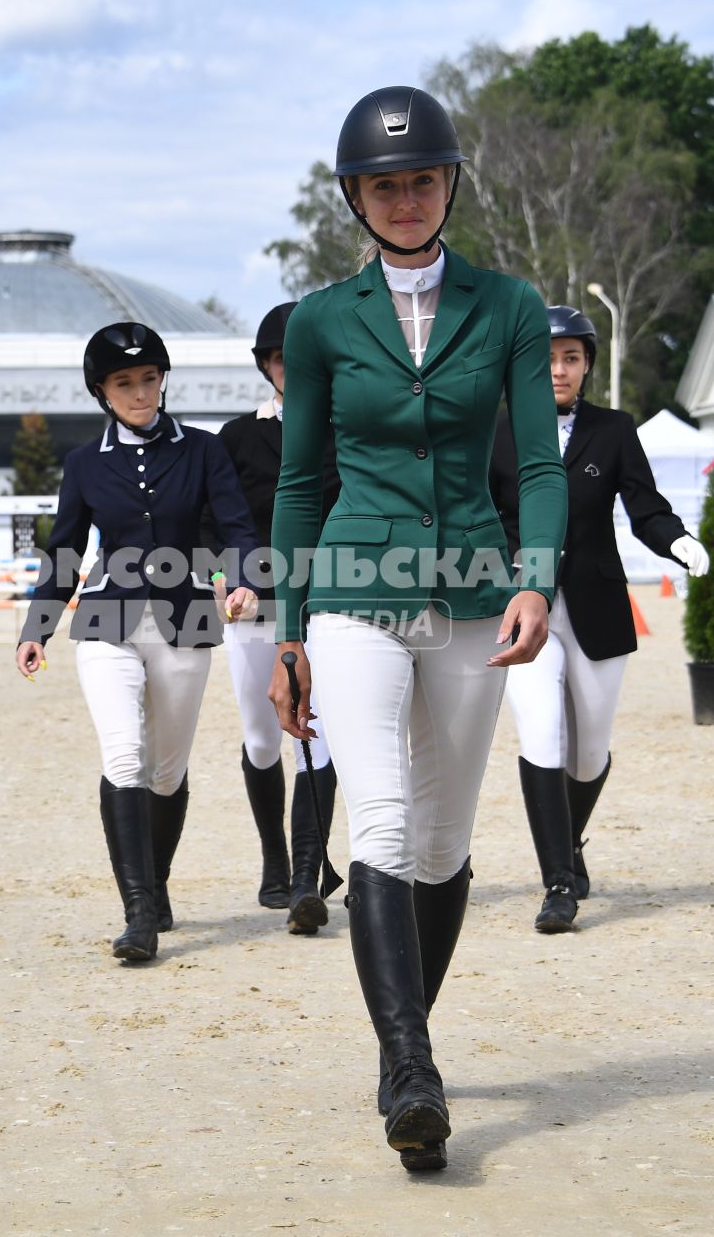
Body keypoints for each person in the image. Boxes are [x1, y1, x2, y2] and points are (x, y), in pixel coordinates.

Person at [268, 86, 568, 1172]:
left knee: (445, 843)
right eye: (384, 184)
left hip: (480, 591)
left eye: (422, 179)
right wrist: (293, 629)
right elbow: (300, 482)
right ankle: (410, 1067)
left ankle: (410, 1039)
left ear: (449, 185)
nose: (404, 199)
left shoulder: (513, 306)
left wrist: (536, 579)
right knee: (384, 823)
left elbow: (537, 461)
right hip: (355, 580)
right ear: (355, 195)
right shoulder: (319, 321)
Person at [15, 322, 261, 963]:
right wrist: (37, 628)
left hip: (185, 624)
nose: (140, 392)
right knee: (124, 757)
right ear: (102, 390)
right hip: (106, 623)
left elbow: (236, 528)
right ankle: (139, 913)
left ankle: (157, 880)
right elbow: (65, 552)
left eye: (149, 379)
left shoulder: (205, 452)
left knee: (167, 770)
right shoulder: (83, 464)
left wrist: (242, 582)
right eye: (125, 383)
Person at [490, 305, 709, 934]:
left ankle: (570, 842)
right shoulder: (498, 431)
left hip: (596, 604)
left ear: (586, 364)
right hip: (521, 604)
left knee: (586, 757)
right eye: (547, 358)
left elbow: (645, 506)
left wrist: (678, 542)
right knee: (540, 732)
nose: (558, 370)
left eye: (571, 358)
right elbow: (476, 510)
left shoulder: (614, 430)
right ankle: (558, 883)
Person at [209, 300, 344, 934]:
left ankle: (305, 879)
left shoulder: (350, 429)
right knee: (264, 739)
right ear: (268, 365)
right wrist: (226, 581)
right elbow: (217, 526)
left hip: (334, 603)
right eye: (284, 358)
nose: (295, 367)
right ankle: (274, 857)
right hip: (257, 607)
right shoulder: (236, 439)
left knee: (315, 734)